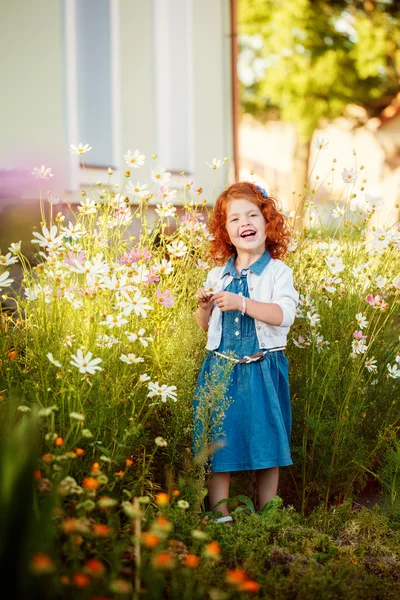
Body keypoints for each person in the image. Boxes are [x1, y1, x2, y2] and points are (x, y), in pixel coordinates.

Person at [193, 181, 299, 523]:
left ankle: (267, 514)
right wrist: (205, 308)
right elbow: (206, 328)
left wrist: (241, 302)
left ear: (268, 224)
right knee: (218, 441)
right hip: (221, 368)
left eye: (253, 215)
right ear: (226, 232)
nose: (245, 223)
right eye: (235, 219)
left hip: (262, 367)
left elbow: (282, 315)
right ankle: (220, 514)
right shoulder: (217, 275)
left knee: (266, 441)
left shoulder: (278, 273)